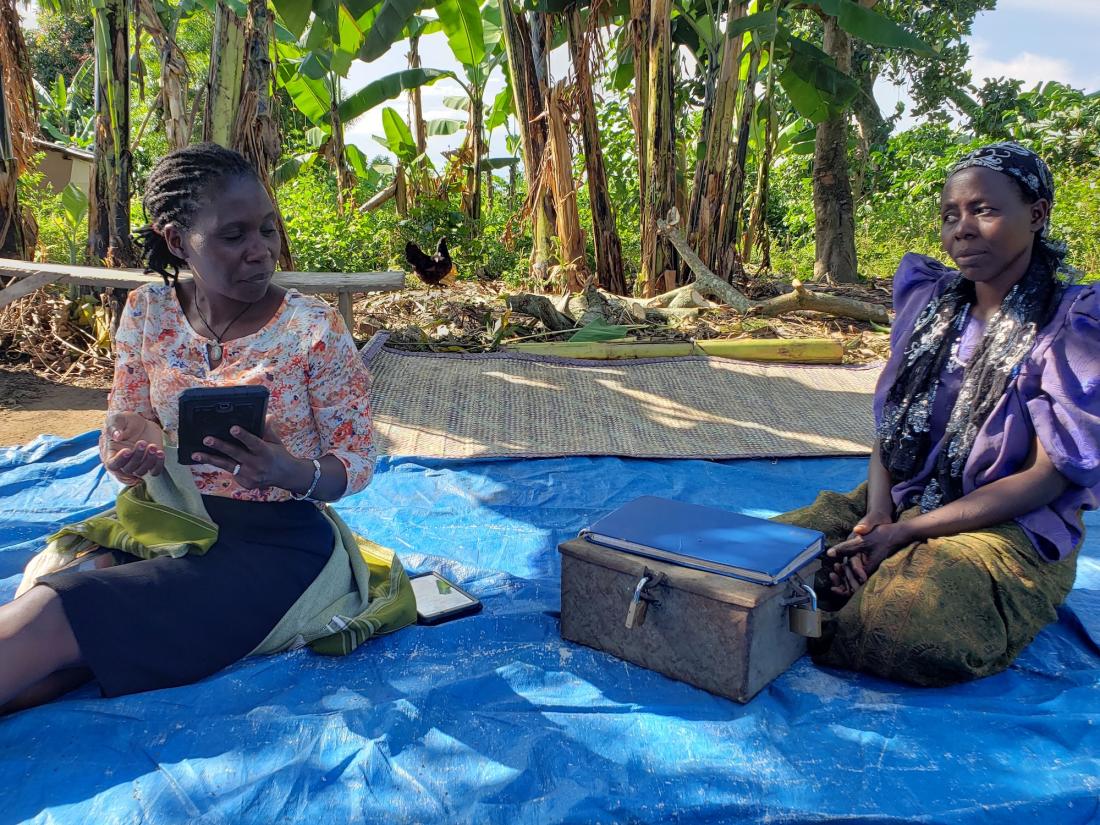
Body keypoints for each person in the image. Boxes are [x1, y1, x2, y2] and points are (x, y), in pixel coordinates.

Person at [0, 143, 377, 712]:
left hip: (270, 547)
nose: (261, 252)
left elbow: (355, 462)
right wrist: (126, 455)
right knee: (50, 625)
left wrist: (288, 470)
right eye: (234, 236)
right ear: (177, 241)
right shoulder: (149, 312)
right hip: (166, 520)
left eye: (268, 229)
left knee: (62, 610)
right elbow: (127, 423)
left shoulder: (312, 327)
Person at [775, 142, 1099, 686]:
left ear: (1037, 214)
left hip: (1006, 527)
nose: (962, 229)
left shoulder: (1073, 323)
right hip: (904, 498)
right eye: (951, 215)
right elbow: (892, 426)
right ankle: (834, 597)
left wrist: (908, 535)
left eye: (985, 210)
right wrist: (879, 515)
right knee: (757, 555)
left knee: (904, 624)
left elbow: (1045, 479)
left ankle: (840, 604)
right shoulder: (931, 304)